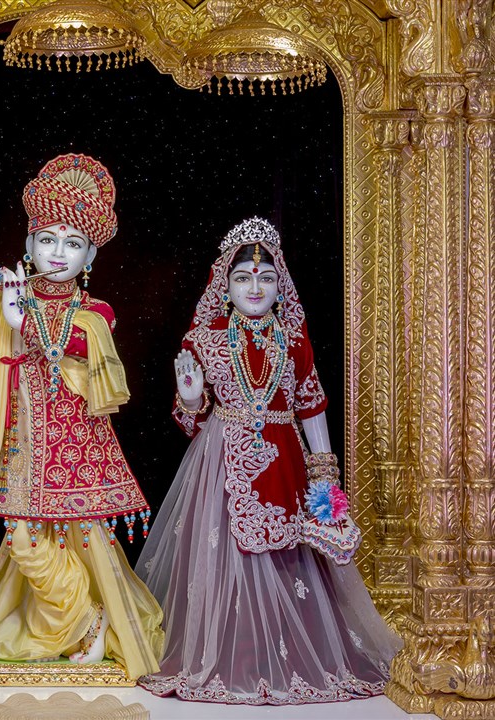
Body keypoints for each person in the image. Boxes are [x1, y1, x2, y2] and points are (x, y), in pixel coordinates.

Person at [135, 217, 402, 703]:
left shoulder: (293, 340)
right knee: (223, 557)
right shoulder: (205, 338)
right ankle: (231, 656)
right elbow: (191, 419)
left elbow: (312, 405)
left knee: (290, 557)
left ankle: (290, 655)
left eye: (265, 278)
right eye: (242, 278)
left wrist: (326, 478)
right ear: (225, 285)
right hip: (222, 462)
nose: (254, 288)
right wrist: (191, 398)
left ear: (281, 286)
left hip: (286, 460)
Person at [0, 153, 163, 678]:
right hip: (17, 442)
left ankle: (89, 627)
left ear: (90, 254)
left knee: (80, 541)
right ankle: (83, 621)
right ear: (27, 245)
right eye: (46, 240)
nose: (57, 253)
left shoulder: (95, 312)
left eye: (72, 244)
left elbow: (74, 345)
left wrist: (20, 321)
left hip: (75, 446)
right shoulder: (2, 299)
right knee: (24, 541)